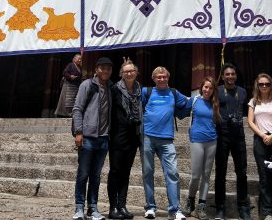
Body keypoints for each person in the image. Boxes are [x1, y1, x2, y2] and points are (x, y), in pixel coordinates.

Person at [141, 66, 189, 220]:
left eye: (164, 77)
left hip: (167, 139)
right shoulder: (146, 92)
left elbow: (189, 103)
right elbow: (137, 108)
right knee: (148, 173)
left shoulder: (174, 93)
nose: (162, 79)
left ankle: (174, 210)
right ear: (153, 79)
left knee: (172, 173)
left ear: (168, 77)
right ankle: (150, 207)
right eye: (158, 77)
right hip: (147, 137)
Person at [72, 57, 113, 220]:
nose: (105, 71)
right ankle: (79, 207)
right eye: (102, 68)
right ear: (96, 69)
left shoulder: (111, 87)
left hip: (103, 139)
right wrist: (79, 132)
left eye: (109, 68)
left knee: (96, 175)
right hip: (88, 137)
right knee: (83, 174)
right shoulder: (87, 85)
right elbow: (77, 109)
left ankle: (93, 208)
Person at [214, 63, 253, 220]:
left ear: (236, 76)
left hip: (239, 137)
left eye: (233, 74)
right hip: (222, 137)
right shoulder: (217, 91)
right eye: (227, 74)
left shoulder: (242, 92)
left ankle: (243, 206)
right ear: (222, 77)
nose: (230, 77)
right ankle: (220, 207)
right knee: (220, 173)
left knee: (242, 173)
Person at [247, 74, 272, 220]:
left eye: (267, 84)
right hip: (260, 140)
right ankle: (267, 211)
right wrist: (263, 135)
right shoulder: (253, 102)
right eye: (261, 84)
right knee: (264, 176)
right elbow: (250, 121)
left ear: (271, 85)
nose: (264, 86)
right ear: (257, 86)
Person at [107, 58, 142, 219]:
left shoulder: (139, 89)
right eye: (126, 71)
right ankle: (113, 207)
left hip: (133, 135)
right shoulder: (114, 89)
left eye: (131, 71)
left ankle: (122, 205)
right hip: (117, 135)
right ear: (121, 74)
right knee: (115, 171)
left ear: (136, 73)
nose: (129, 73)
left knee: (126, 172)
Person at [184, 76, 221, 220]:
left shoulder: (215, 103)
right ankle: (190, 201)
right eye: (206, 87)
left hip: (211, 140)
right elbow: (181, 108)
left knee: (206, 175)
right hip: (197, 139)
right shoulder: (194, 100)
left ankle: (202, 205)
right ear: (201, 87)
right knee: (195, 175)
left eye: (211, 88)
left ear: (213, 90)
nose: (208, 90)